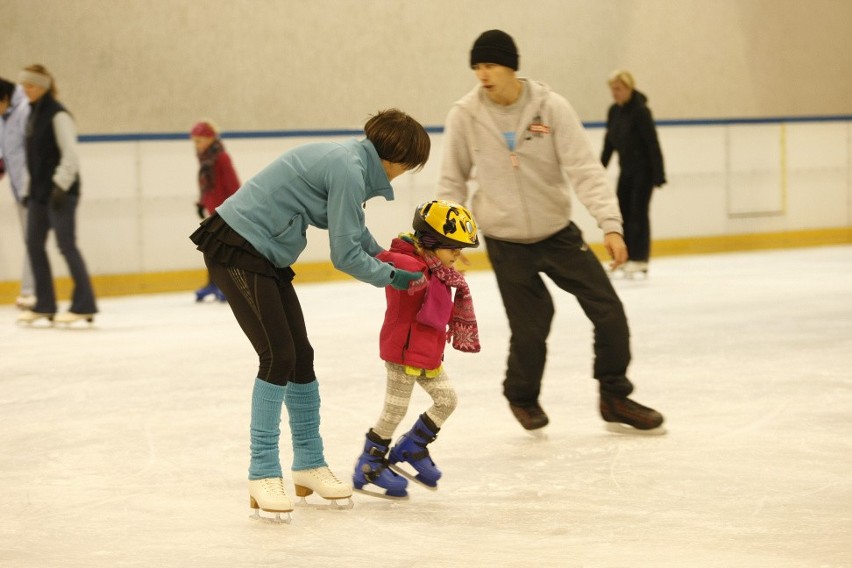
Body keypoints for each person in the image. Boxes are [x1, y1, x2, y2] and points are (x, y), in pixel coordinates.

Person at [189, 108, 431, 521]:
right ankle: (262, 471)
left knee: (301, 356)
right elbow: (345, 255)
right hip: (237, 249)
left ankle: (309, 463)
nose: (402, 174)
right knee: (278, 356)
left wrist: (387, 256)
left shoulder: (350, 162)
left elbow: (353, 231)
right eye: (407, 167)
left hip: (262, 255)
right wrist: (394, 276)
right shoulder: (349, 169)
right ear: (395, 157)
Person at [436, 30, 664, 434]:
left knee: (608, 311)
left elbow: (585, 169)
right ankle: (521, 397)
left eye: (490, 65)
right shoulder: (465, 115)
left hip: (556, 232)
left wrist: (611, 225)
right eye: (477, 67)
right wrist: (447, 241)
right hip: (506, 241)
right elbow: (452, 182)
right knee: (531, 325)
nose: (482, 74)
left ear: (511, 66)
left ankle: (614, 396)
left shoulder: (549, 108)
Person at [352, 200, 480, 499]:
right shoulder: (407, 263)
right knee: (394, 411)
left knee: (447, 400)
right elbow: (382, 259)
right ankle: (368, 465)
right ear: (433, 243)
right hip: (403, 352)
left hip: (428, 353)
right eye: (454, 249)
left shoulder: (440, 270)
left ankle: (411, 448)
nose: (458, 256)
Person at [16, 64, 98, 325]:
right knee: (33, 245)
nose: (26, 90)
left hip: (60, 192)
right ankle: (44, 304)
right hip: (39, 194)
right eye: (24, 85)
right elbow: (33, 159)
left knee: (66, 245)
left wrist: (61, 186)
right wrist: (28, 190)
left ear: (43, 86)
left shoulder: (58, 114)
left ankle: (84, 304)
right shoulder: (32, 115)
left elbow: (70, 155)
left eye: (30, 85)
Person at [601, 69, 666, 278]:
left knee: (638, 214)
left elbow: (652, 143)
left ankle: (640, 258)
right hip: (626, 171)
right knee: (622, 214)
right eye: (612, 89)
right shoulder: (614, 112)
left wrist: (659, 174)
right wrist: (599, 170)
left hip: (644, 172)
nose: (614, 93)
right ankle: (624, 257)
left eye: (618, 89)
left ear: (629, 88)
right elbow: (609, 144)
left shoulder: (640, 111)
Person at [189, 120, 240, 302]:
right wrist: (202, 202)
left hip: (225, 210)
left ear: (210, 139)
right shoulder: (206, 158)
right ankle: (214, 283)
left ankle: (226, 284)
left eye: (200, 140)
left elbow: (232, 184)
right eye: (194, 141)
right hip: (214, 209)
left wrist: (233, 208)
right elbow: (206, 184)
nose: (197, 145)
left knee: (220, 248)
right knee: (211, 248)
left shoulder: (221, 157)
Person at [0, 77, 36, 310]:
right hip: (18, 187)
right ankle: (33, 291)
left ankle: (31, 291)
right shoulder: (5, 114)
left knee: (35, 240)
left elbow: (32, 150)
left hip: (32, 187)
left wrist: (29, 187)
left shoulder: (25, 111)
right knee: (32, 240)